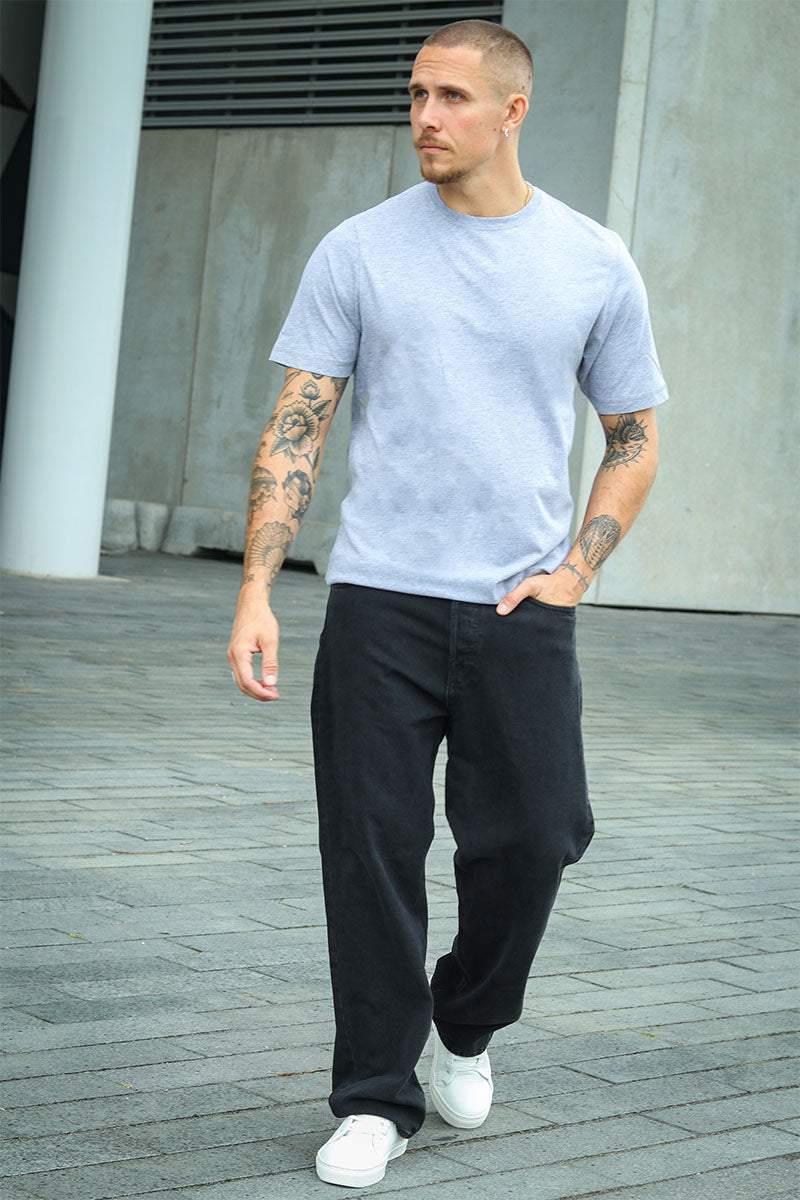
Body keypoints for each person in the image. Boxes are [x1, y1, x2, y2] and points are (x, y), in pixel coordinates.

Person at [228, 18, 667, 1190]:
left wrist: (576, 568)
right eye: (415, 93)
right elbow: (296, 427)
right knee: (369, 852)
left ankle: (464, 1022)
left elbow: (632, 438)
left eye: (451, 97)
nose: (423, 116)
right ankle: (374, 1097)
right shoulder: (359, 251)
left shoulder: (588, 260)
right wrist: (258, 588)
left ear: (511, 111)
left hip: (522, 606)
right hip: (379, 600)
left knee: (538, 837)